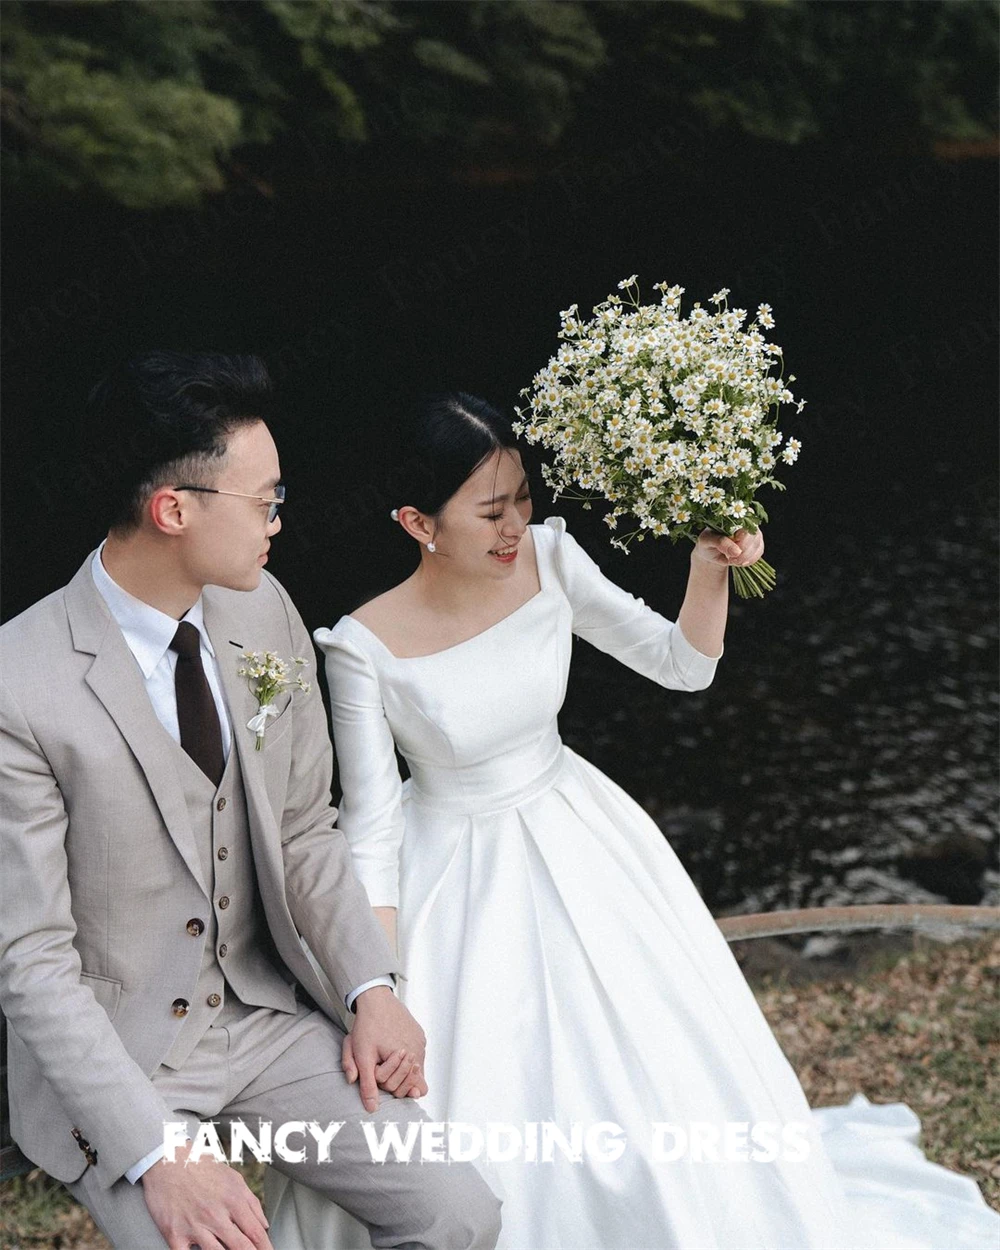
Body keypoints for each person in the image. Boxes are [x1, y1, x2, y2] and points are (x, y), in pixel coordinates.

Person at [264, 391, 1000, 1250]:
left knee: (658, 1064)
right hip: (452, 878)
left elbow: (682, 665)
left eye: (524, 500)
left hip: (584, 837)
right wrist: (377, 988)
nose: (516, 528)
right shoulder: (362, 646)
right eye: (491, 511)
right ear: (417, 522)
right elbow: (373, 831)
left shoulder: (554, 560)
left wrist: (710, 562)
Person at [0, 358, 503, 1250]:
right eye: (265, 501)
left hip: (268, 1018)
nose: (280, 520)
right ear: (174, 510)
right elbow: (33, 961)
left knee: (457, 1216)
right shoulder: (18, 683)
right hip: (128, 1061)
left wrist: (369, 984)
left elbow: (306, 826)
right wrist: (159, 1154)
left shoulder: (260, 607)